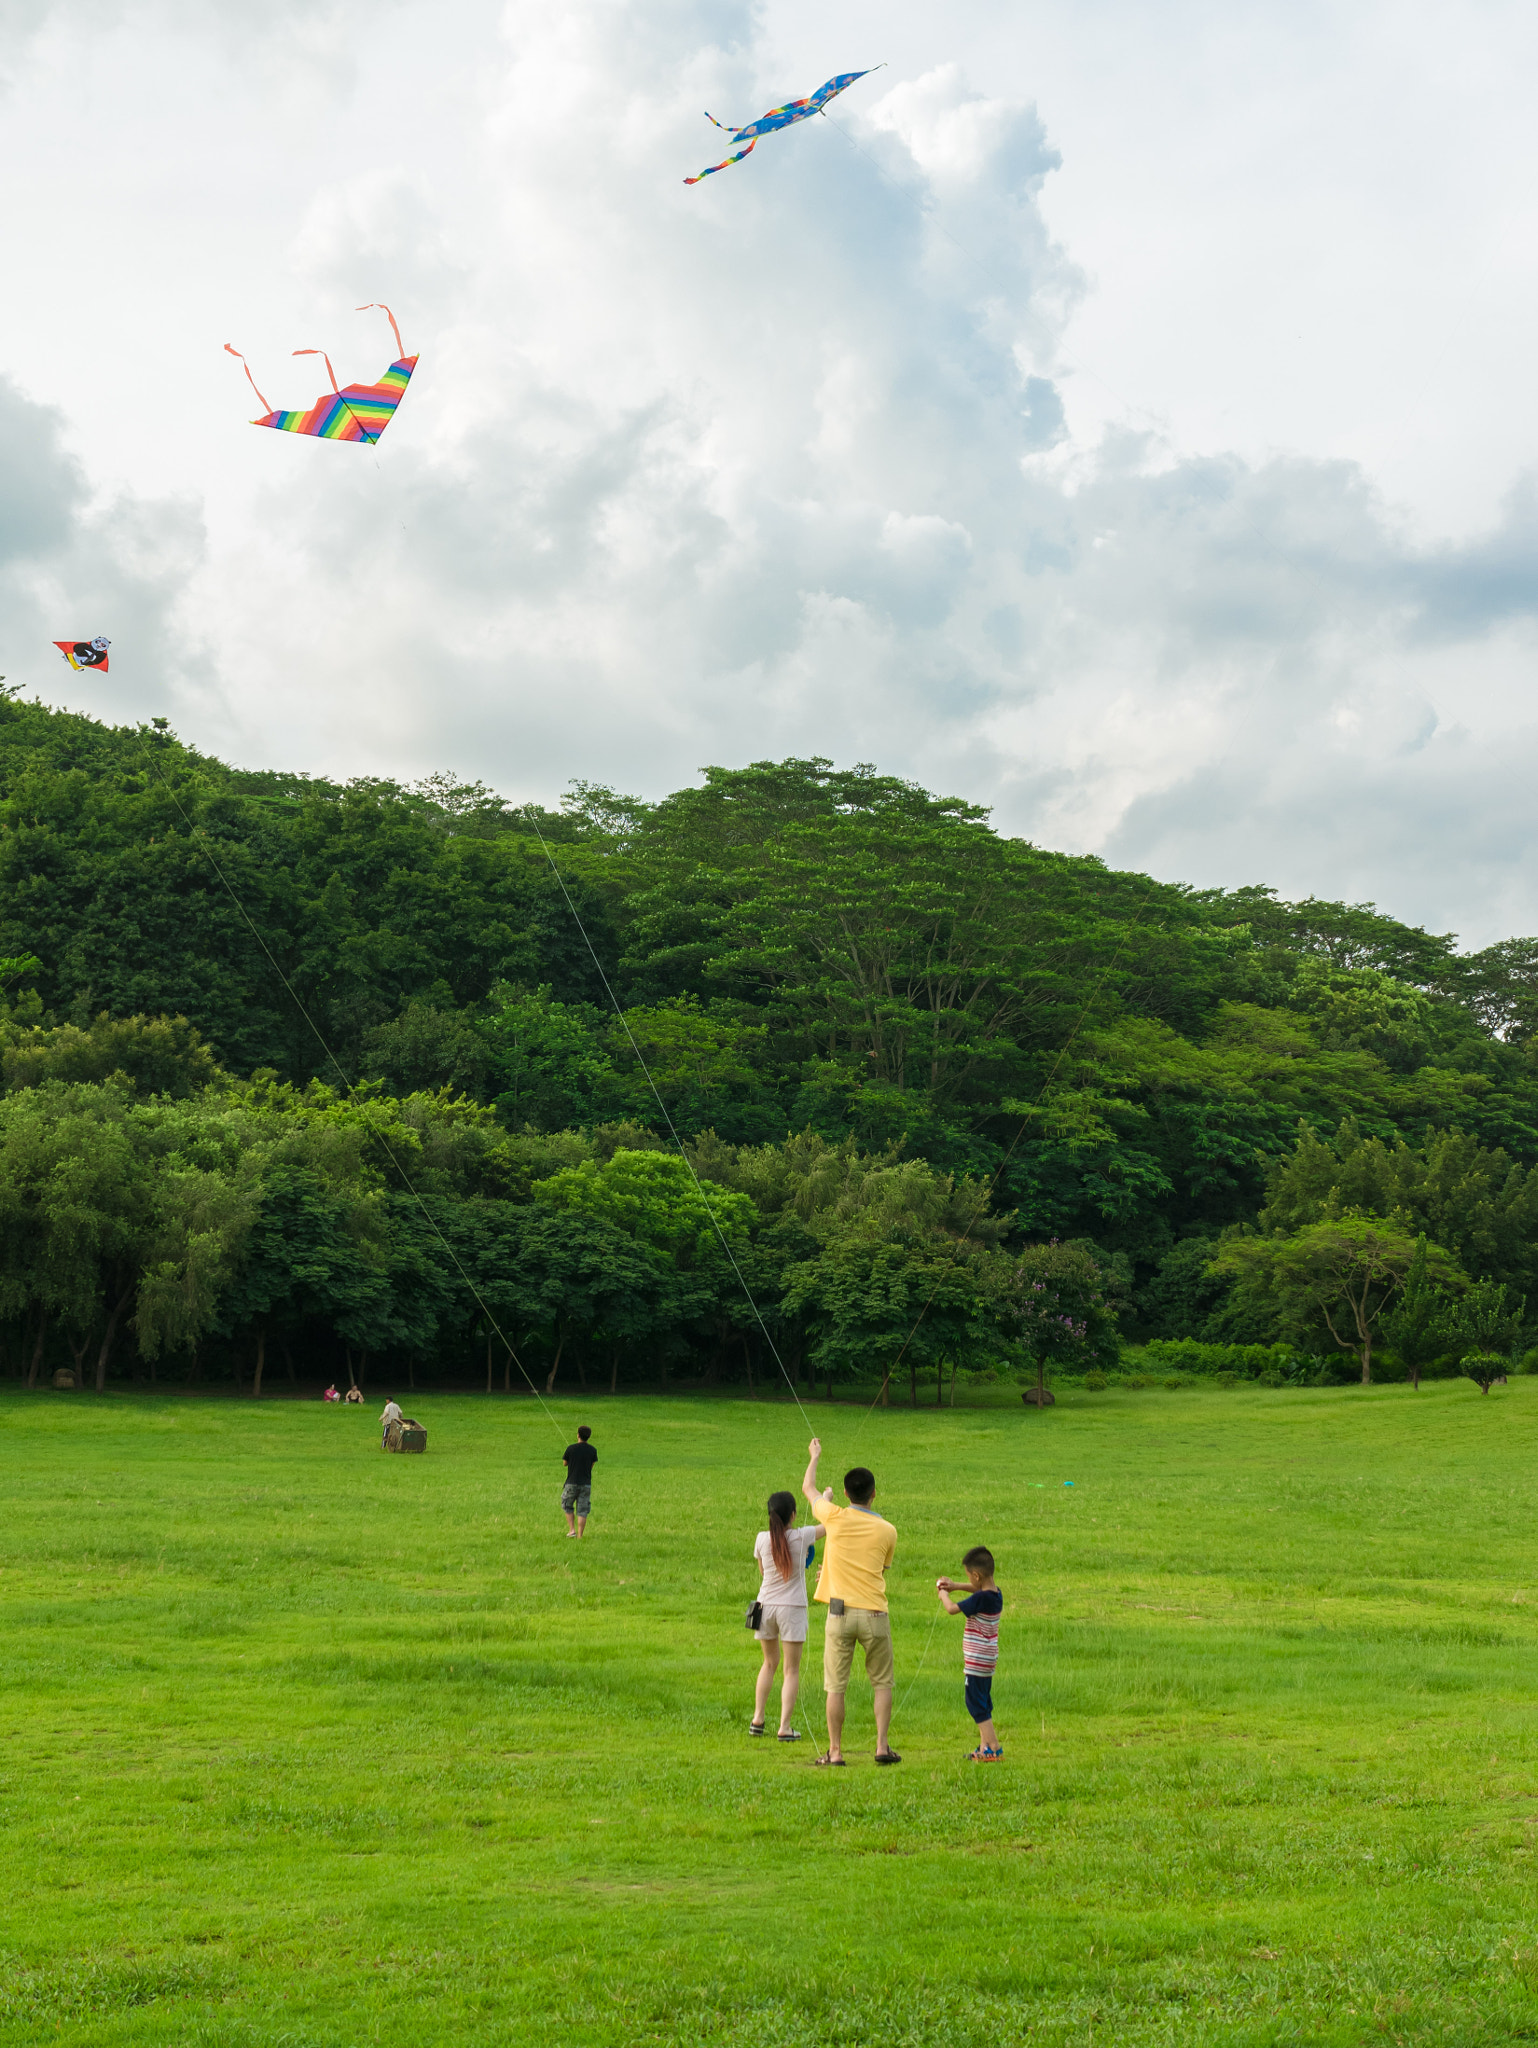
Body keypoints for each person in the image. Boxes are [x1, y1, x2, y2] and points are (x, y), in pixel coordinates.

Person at [802, 1437, 899, 1766]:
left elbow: (808, 1488)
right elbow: (880, 1568)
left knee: (836, 1686)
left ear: (845, 1493)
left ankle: (836, 1752)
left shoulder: (833, 1516)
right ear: (874, 1493)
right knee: (882, 1682)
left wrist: (815, 1455)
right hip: (874, 1613)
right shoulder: (888, 1530)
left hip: (839, 1613)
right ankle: (882, 1747)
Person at [749, 1491, 817, 1741]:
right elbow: (829, 1525)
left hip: (764, 1606)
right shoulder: (802, 1536)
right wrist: (826, 1499)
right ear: (793, 1515)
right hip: (792, 1608)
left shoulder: (761, 1539)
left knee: (769, 1664)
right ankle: (784, 1727)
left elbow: (762, 1570)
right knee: (791, 1670)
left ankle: (758, 1719)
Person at [936, 1546, 1003, 1761]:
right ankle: (984, 1748)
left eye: (969, 1577)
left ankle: (993, 1747)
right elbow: (978, 1590)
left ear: (977, 1575)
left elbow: (952, 1609)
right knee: (983, 1701)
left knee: (974, 1703)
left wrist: (944, 1595)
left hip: (976, 1661)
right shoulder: (995, 1594)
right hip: (988, 1659)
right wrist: (956, 1585)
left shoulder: (980, 1599)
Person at [562, 1425, 597, 1537]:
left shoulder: (570, 1448)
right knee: (582, 1510)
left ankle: (572, 1530)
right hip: (586, 1484)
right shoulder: (593, 1450)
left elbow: (564, 1463)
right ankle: (580, 1535)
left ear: (578, 1435)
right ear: (588, 1436)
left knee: (567, 1505)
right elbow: (591, 1465)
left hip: (571, 1483)